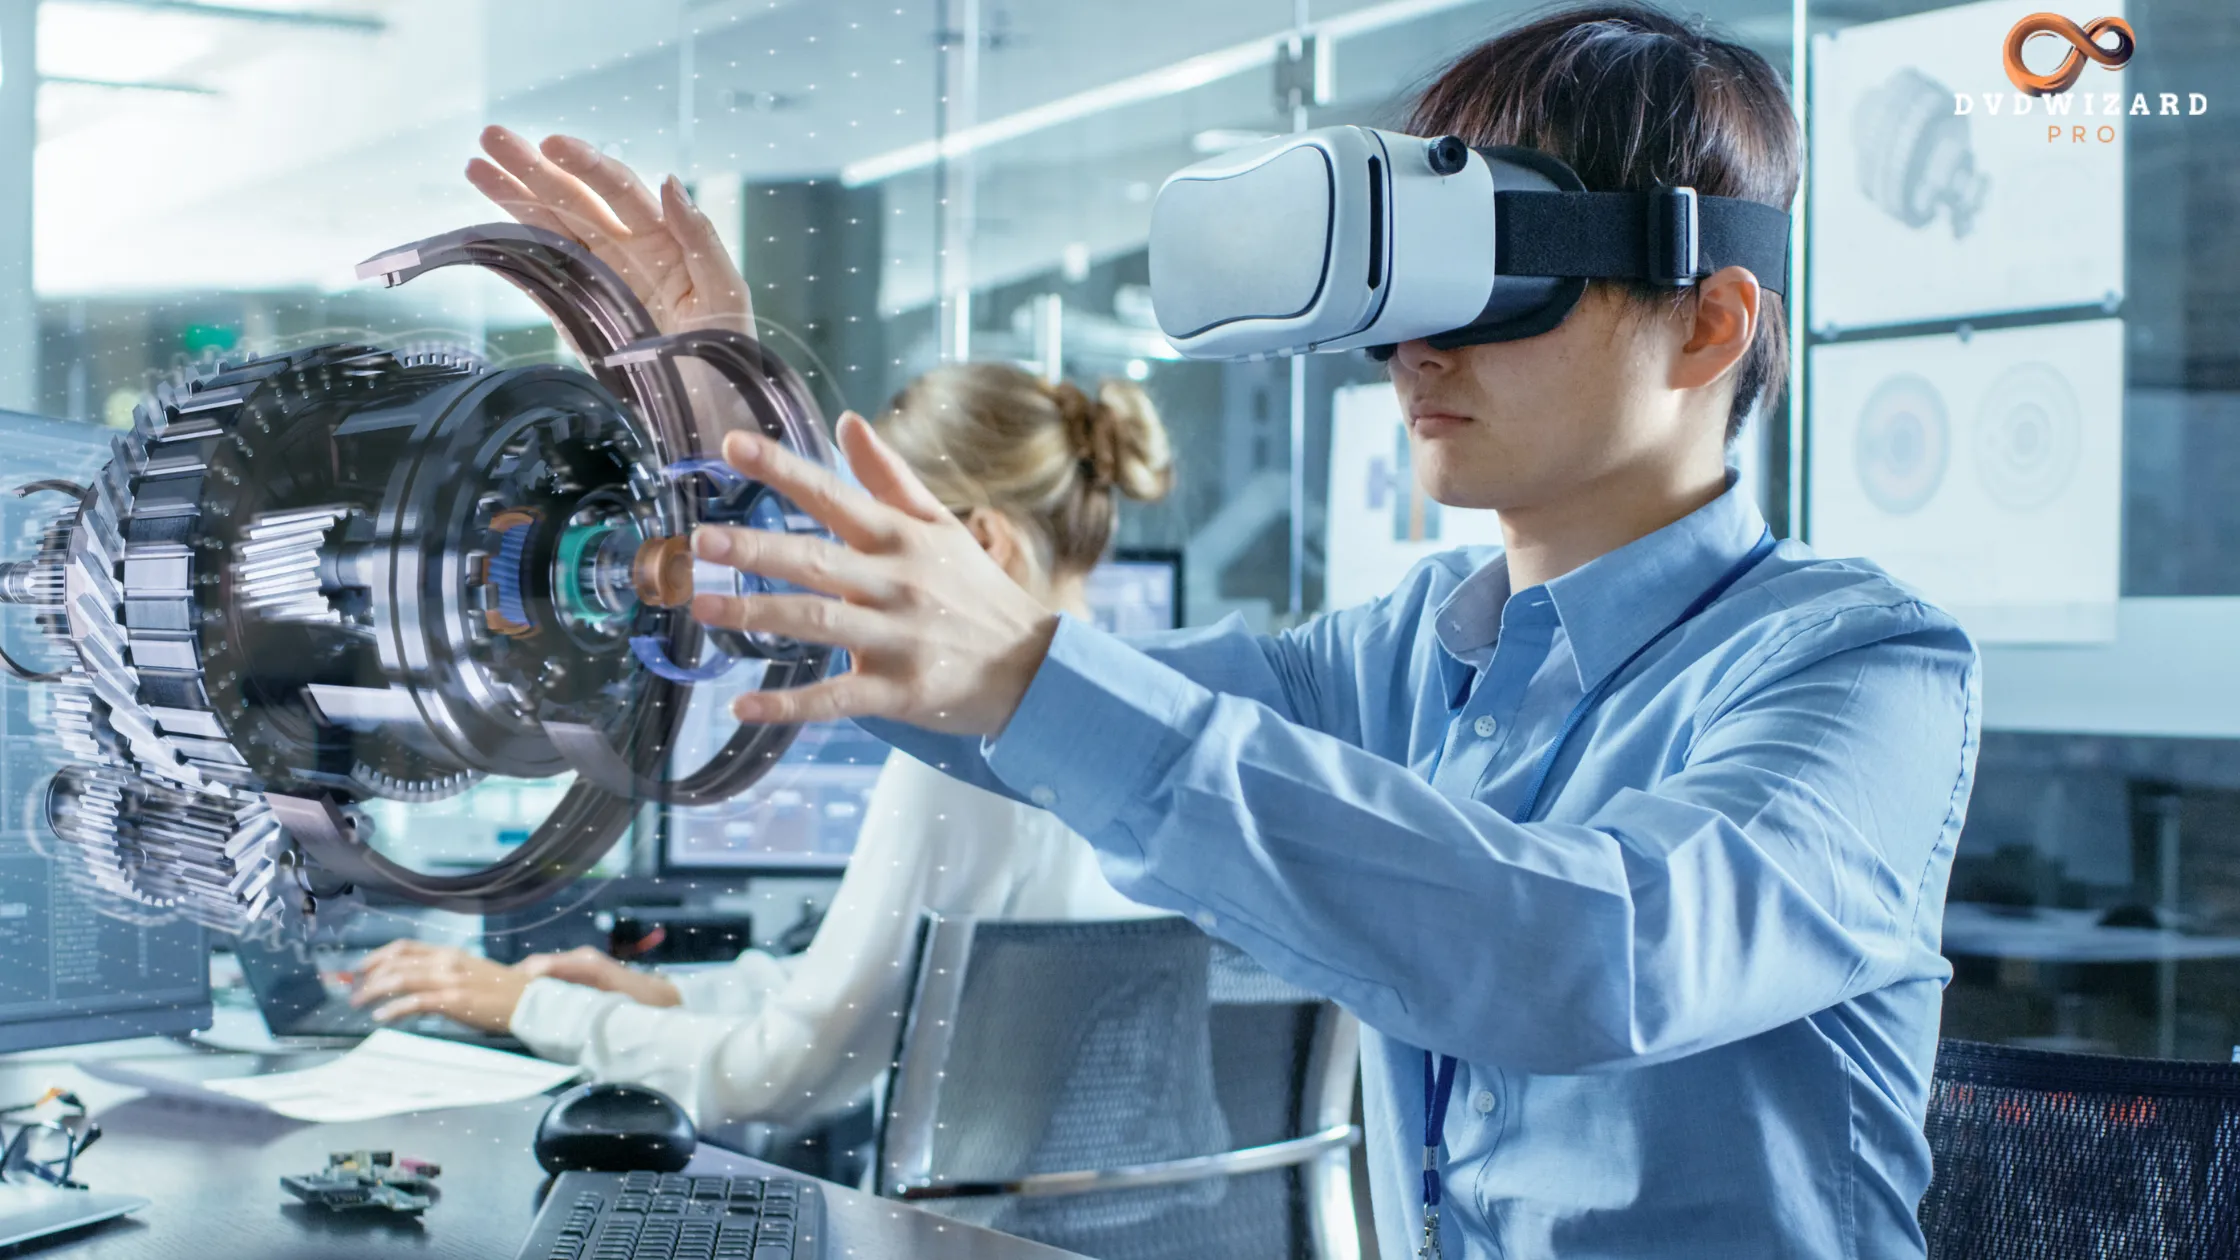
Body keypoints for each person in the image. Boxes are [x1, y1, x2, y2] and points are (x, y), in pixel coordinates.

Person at [668, 7, 1981, 1258]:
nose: (1415, 348)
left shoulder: (1865, 669)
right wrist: (730, 457)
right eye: (1409, 286)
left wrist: (1030, 673)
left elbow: (1594, 957)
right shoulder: (1405, 657)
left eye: (1494, 276)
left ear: (1706, 325)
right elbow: (972, 700)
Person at [348, 126, 1172, 1129]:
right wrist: (663, 993)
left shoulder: (975, 757)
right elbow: (860, 1002)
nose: (845, 576)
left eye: (878, 540)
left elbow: (774, 1079)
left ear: (983, 544)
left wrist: (529, 1003)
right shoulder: (1150, 728)